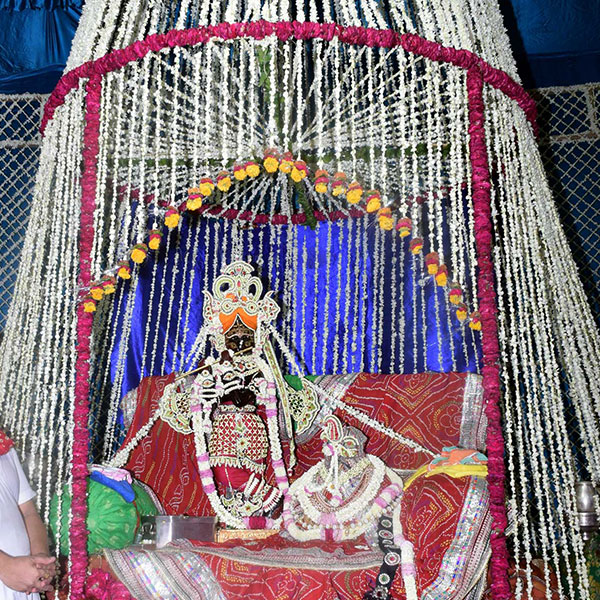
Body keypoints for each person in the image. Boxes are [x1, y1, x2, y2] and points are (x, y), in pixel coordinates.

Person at [0, 429, 55, 599]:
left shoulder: (4, 448)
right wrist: (4, 566)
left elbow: (28, 511)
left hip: (23, 585)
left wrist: (40, 561)